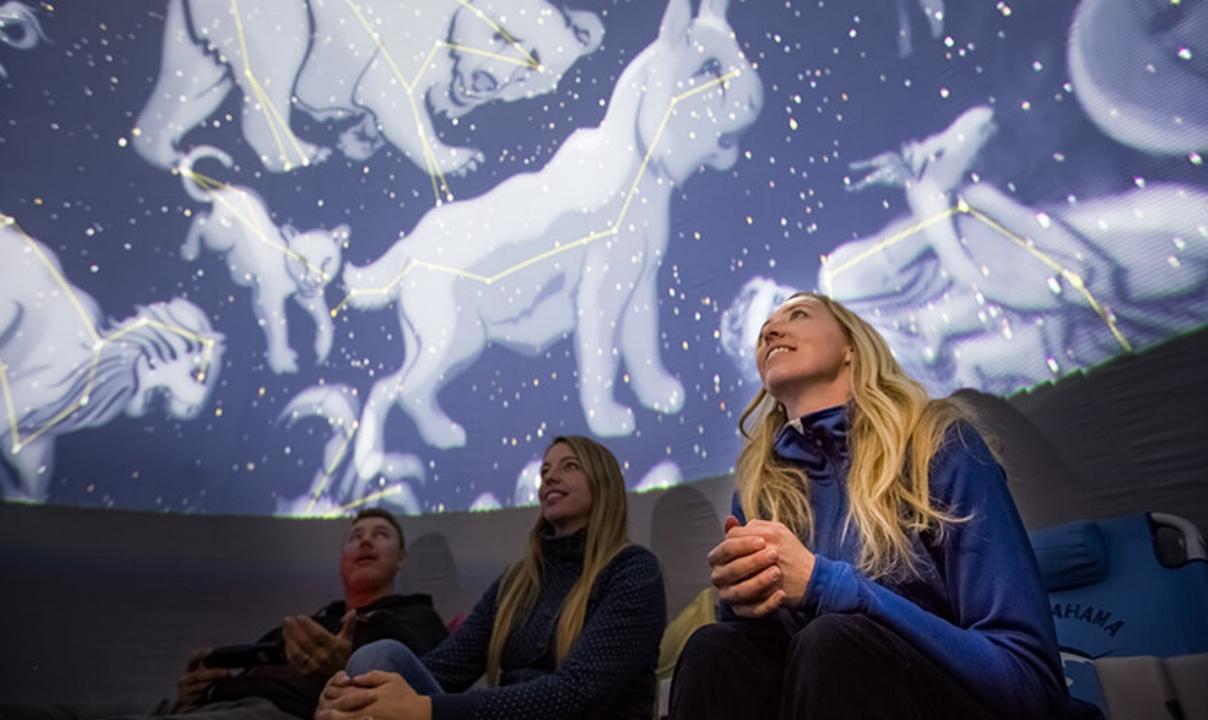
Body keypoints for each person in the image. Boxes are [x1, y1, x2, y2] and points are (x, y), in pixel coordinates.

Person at [668, 292, 1096, 719]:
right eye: (764, 332)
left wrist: (827, 586)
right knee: (712, 651)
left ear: (852, 346)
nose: (770, 331)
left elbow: (1029, 681)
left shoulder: (940, 445)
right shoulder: (761, 491)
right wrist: (743, 602)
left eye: (797, 314)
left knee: (833, 643)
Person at [314, 436, 667, 720]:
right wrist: (349, 688)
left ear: (603, 484)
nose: (550, 477)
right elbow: (446, 668)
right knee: (378, 660)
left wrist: (427, 710)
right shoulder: (518, 582)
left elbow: (578, 694)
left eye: (569, 466)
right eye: (545, 471)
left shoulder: (632, 571)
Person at [2, 508, 448, 720]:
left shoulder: (416, 618)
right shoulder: (313, 618)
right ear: (340, 559)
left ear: (402, 559)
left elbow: (425, 689)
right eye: (355, 535)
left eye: (380, 535)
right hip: (212, 704)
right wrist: (204, 684)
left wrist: (341, 670)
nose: (365, 541)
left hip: (279, 713)